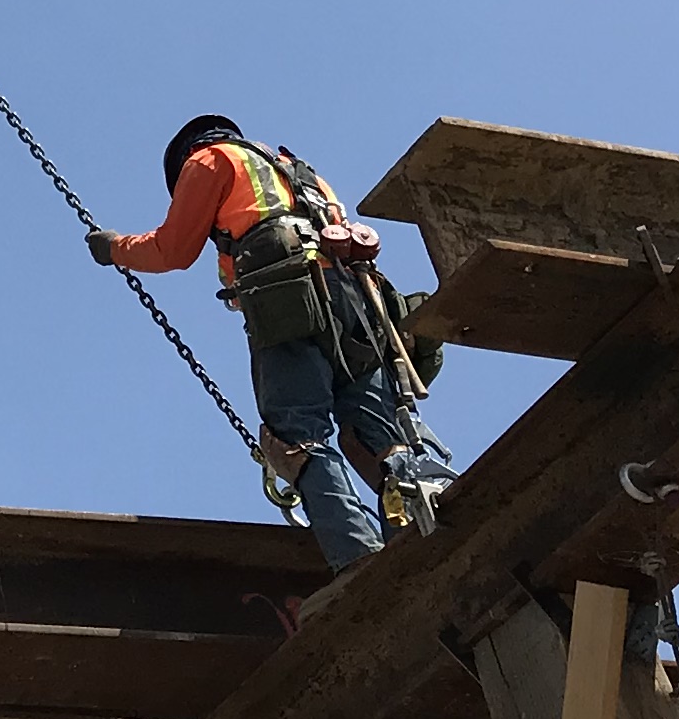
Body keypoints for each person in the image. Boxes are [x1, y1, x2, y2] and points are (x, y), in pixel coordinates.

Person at [90, 114, 437, 568]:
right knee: (383, 436)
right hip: (357, 303)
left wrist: (115, 248)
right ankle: (421, 534)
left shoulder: (210, 161)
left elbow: (172, 250)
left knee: (297, 437)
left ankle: (358, 559)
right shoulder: (298, 172)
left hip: (287, 300)